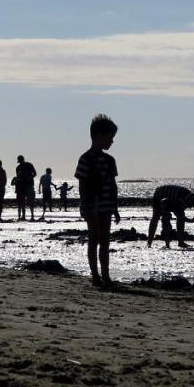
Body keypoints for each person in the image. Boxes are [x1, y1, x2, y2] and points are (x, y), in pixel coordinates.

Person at [75, 114, 119, 289]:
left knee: (105, 240)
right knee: (94, 239)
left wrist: (115, 207)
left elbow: (113, 185)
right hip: (92, 204)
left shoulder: (110, 161)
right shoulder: (85, 159)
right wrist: (84, 205)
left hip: (107, 205)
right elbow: (82, 184)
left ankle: (106, 276)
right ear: (99, 136)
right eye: (110, 138)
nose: (112, 142)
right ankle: (95, 276)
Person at [15, 155, 37, 221]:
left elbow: (35, 173)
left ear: (22, 160)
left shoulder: (29, 165)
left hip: (29, 185)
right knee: (22, 202)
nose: (20, 162)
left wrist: (29, 178)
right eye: (19, 161)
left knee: (30, 201)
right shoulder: (18, 167)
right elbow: (18, 177)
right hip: (22, 186)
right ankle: (23, 216)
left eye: (20, 160)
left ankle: (32, 216)